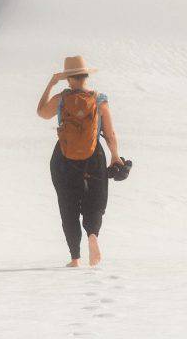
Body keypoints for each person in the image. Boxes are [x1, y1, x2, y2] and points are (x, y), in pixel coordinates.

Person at [36, 55, 124, 267]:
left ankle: (75, 258)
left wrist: (51, 83)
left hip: (63, 156)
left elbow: (41, 113)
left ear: (68, 78)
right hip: (94, 155)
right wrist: (115, 156)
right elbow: (110, 133)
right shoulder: (99, 100)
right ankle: (92, 235)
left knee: (68, 205)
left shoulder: (61, 99)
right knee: (95, 199)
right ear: (86, 76)